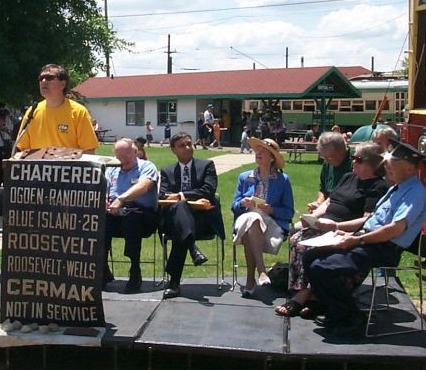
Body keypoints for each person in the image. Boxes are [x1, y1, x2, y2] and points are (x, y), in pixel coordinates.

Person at [301, 140, 426, 337]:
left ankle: (352, 318)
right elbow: (371, 220)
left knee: (323, 267)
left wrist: (358, 240)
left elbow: (394, 229)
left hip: (384, 248)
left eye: (391, 164)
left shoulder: (415, 193)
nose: (386, 167)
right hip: (367, 240)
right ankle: (336, 311)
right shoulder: (397, 187)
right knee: (310, 257)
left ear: (410, 168)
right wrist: (345, 232)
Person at [275, 142, 388, 317]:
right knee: (297, 239)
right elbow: (329, 202)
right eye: (353, 158)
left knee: (308, 247)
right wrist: (312, 218)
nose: (353, 162)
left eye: (358, 159)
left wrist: (335, 226)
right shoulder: (348, 177)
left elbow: (367, 220)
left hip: (343, 230)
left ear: (372, 163)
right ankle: (310, 295)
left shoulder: (377, 186)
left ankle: (305, 296)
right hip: (324, 224)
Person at [159, 132, 225, 299]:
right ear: (173, 150)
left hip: (203, 220)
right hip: (174, 220)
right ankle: (192, 248)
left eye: (189, 144)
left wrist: (180, 195)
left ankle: (174, 283)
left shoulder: (207, 165)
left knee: (181, 221)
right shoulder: (167, 171)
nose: (188, 148)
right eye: (182, 145)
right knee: (180, 214)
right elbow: (163, 195)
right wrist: (182, 198)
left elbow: (208, 191)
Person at [231, 138, 294, 293]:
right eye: (257, 150)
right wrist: (243, 203)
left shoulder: (283, 180)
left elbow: (289, 212)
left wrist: (271, 210)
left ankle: (250, 280)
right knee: (252, 218)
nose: (258, 153)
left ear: (272, 157)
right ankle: (262, 270)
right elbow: (234, 206)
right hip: (246, 218)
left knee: (251, 225)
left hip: (271, 223)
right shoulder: (244, 177)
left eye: (263, 151)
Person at [104, 138, 159, 293]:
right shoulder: (112, 169)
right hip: (114, 214)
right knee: (97, 223)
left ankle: (135, 270)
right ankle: (102, 268)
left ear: (135, 153)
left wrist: (121, 199)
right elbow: (103, 187)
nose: (122, 162)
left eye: (126, 157)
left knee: (132, 220)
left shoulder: (146, 167)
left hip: (142, 214)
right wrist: (104, 201)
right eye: (118, 158)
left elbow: (144, 186)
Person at [16, 63, 98, 154]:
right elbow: (23, 149)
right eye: (41, 78)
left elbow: (88, 150)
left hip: (69, 167)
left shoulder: (79, 112)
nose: (43, 81)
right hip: (37, 167)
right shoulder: (32, 112)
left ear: (62, 84)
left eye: (49, 78)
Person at [307, 131, 351, 211]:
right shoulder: (327, 163)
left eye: (329, 158)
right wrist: (319, 203)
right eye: (324, 158)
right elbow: (323, 189)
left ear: (341, 151)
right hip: (327, 208)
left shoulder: (355, 163)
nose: (326, 161)